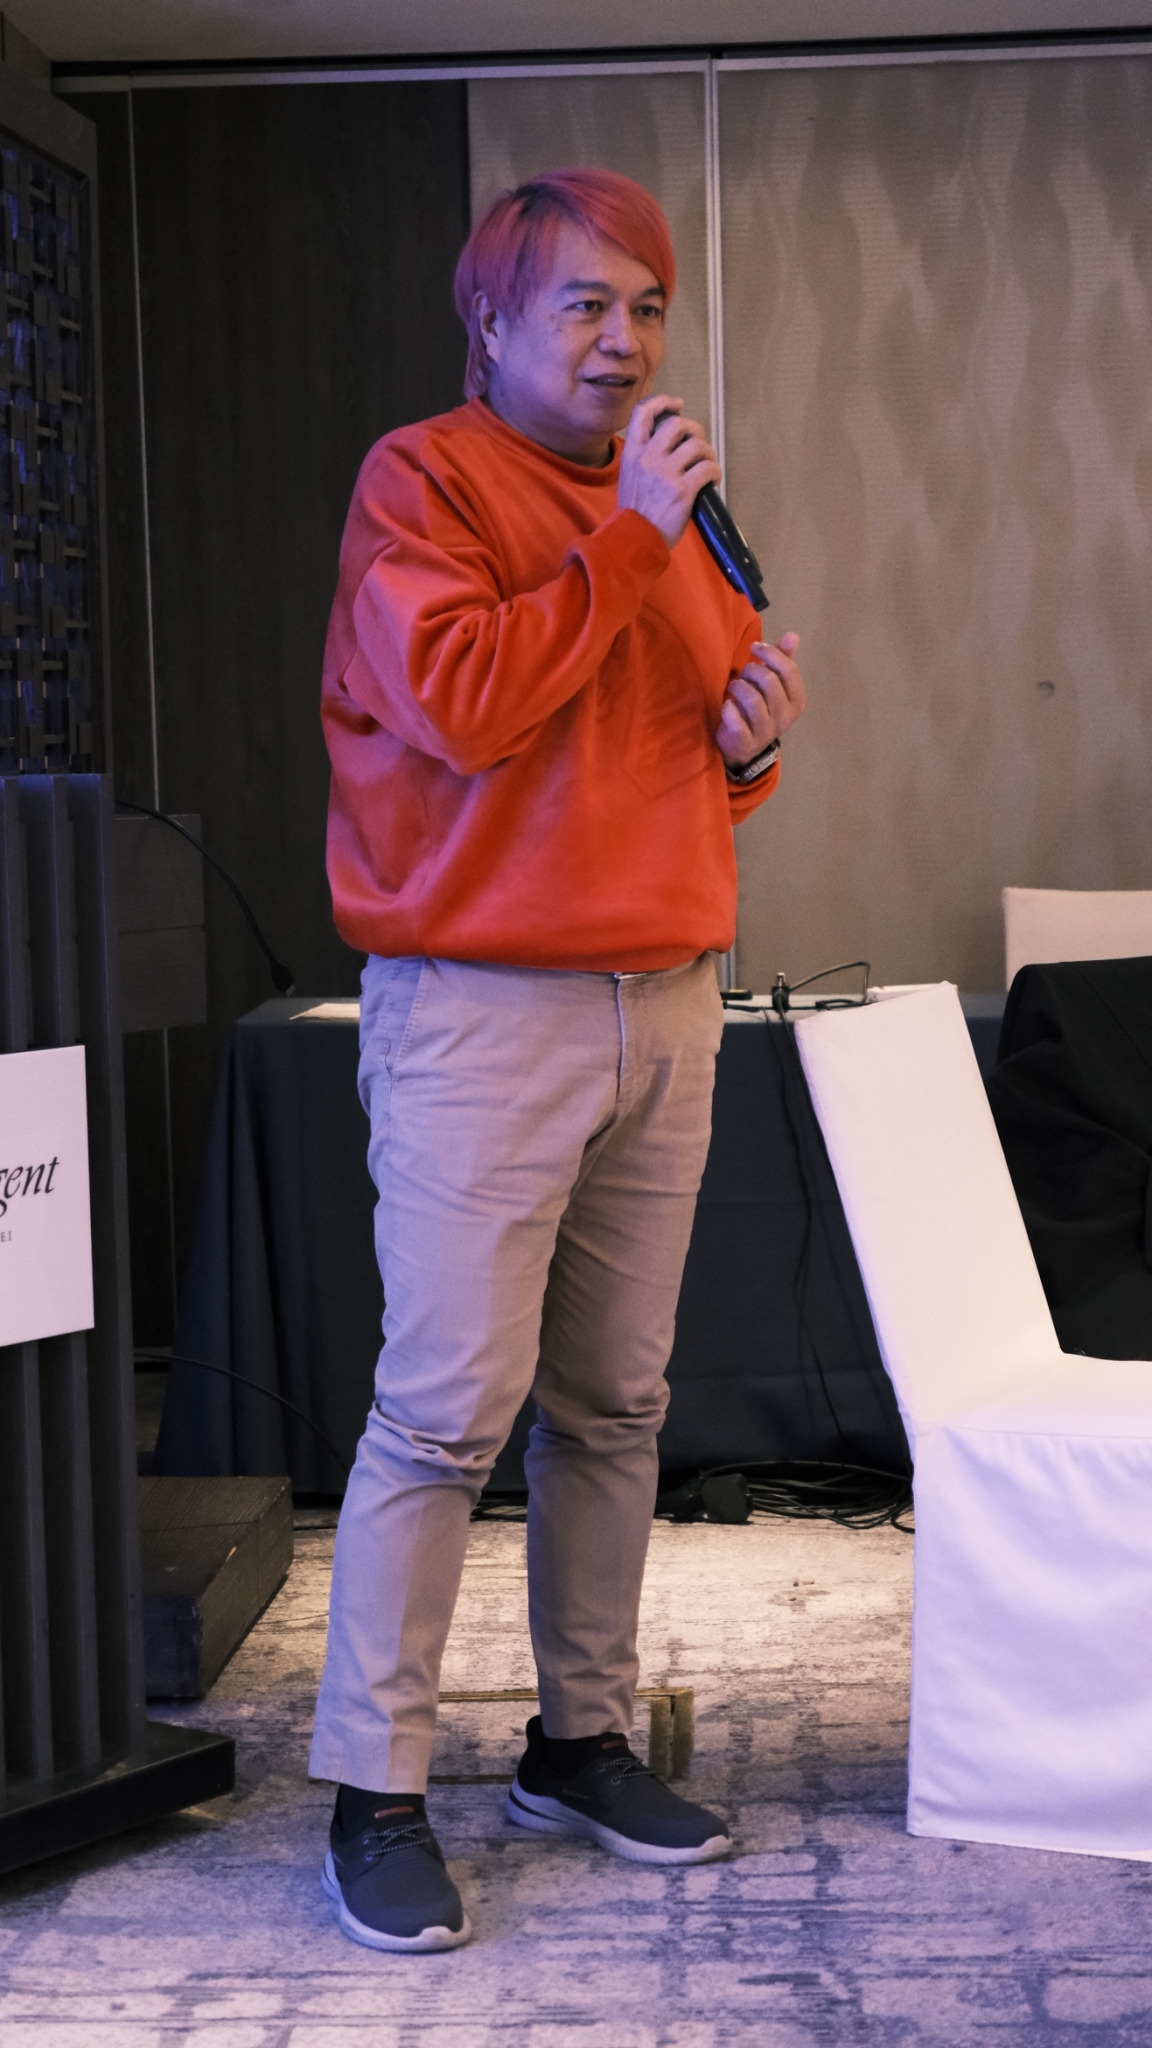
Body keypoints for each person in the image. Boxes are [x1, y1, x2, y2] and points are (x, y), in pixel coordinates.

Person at [310, 167, 807, 1953]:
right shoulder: (424, 483)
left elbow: (669, 760)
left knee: (617, 1405)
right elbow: (463, 701)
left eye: (647, 306)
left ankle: (577, 1744)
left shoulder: (673, 518)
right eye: (586, 305)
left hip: (663, 1003)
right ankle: (374, 1791)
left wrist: (749, 747)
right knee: (444, 1411)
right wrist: (632, 544)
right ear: (492, 320)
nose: (626, 340)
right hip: (481, 1013)